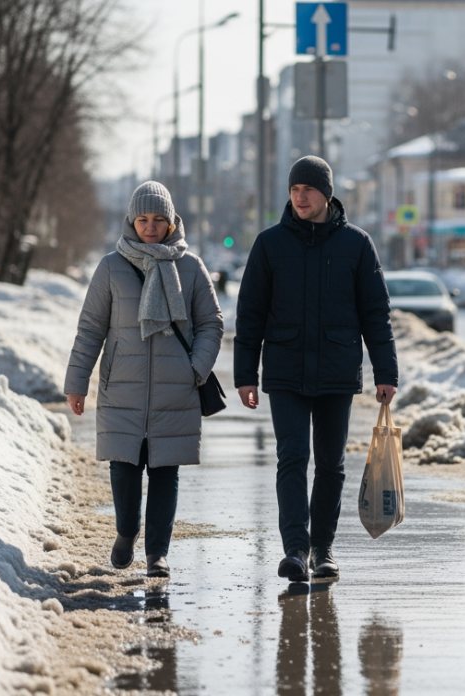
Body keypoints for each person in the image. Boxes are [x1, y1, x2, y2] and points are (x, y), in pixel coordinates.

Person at [234, 156, 398, 583]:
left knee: (330, 463)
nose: (300, 197)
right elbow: (250, 314)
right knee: (292, 456)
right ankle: (295, 550)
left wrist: (386, 371)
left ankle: (323, 550)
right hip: (286, 369)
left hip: (337, 369)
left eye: (307, 189)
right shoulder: (269, 244)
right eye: (294, 190)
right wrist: (244, 375)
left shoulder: (357, 245)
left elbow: (375, 313)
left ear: (326, 193)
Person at [64, 181, 223, 578]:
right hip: (122, 387)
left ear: (171, 222)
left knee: (166, 474)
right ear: (131, 221)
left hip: (176, 388)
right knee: (124, 471)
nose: (150, 227)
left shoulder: (190, 267)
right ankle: (125, 533)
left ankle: (157, 555)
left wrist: (196, 368)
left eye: (159, 220)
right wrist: (77, 382)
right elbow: (90, 329)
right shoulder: (111, 267)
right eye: (143, 219)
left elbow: (211, 323)